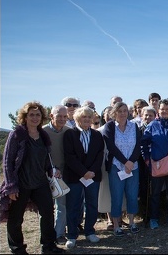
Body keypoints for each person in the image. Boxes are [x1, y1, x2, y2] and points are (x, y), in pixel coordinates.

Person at [0, 101, 65, 254]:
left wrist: (52, 170)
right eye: (31, 115)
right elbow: (7, 162)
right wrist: (11, 186)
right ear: (25, 117)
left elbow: (45, 159)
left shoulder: (42, 135)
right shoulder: (17, 134)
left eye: (38, 115)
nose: (35, 118)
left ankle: (48, 246)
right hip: (20, 183)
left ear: (42, 117)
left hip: (40, 181)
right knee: (16, 218)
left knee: (48, 213)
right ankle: (17, 249)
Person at [63, 106, 105, 248]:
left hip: (93, 176)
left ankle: (90, 232)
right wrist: (83, 172)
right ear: (77, 119)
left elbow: (100, 155)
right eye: (83, 117)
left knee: (92, 204)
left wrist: (91, 172)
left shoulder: (97, 135)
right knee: (73, 206)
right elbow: (70, 157)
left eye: (89, 117)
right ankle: (72, 235)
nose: (87, 119)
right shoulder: (70, 134)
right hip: (75, 176)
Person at [141, 99, 168, 229]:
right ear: (158, 111)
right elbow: (144, 143)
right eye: (162, 109)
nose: (165, 111)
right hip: (156, 165)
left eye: (167, 109)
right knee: (155, 194)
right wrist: (147, 159)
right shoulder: (152, 125)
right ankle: (154, 219)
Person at [101, 102, 142, 236]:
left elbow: (138, 146)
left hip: (133, 167)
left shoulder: (134, 126)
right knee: (116, 196)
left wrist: (131, 162)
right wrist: (125, 162)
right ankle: (116, 225)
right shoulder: (110, 126)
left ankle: (131, 222)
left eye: (125, 111)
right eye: (120, 111)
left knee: (132, 195)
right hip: (116, 167)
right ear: (114, 113)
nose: (123, 113)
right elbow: (111, 147)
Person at [42, 105, 72, 245]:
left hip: (63, 172)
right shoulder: (43, 132)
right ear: (51, 116)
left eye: (65, 116)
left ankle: (59, 234)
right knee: (46, 207)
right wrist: (51, 168)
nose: (62, 119)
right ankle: (47, 235)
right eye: (59, 116)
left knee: (62, 205)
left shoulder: (68, 131)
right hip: (45, 172)